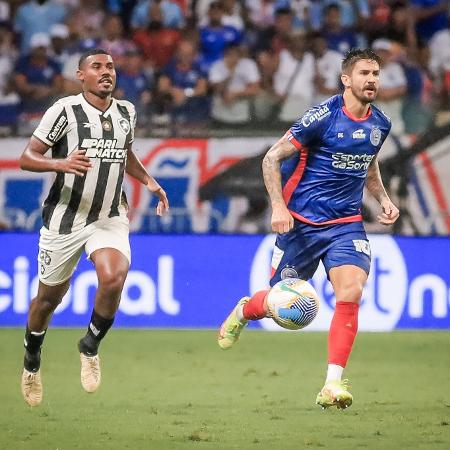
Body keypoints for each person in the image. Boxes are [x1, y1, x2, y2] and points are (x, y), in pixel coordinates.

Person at [217, 48, 400, 409]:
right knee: (280, 307)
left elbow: (368, 164)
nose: (372, 80)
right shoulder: (322, 117)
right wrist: (279, 207)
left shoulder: (380, 123)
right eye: (365, 73)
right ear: (346, 79)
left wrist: (384, 199)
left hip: (346, 225)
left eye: (376, 73)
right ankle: (243, 311)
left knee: (350, 292)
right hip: (300, 225)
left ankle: (332, 384)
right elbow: (272, 157)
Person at [19, 48, 169, 407]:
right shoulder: (64, 111)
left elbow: (124, 153)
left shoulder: (126, 112)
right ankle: (32, 358)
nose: (106, 72)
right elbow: (27, 157)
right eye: (97, 67)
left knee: (114, 275)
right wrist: (62, 163)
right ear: (81, 75)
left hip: (108, 216)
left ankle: (89, 346)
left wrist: (149, 181)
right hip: (65, 219)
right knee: (47, 301)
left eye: (111, 67)